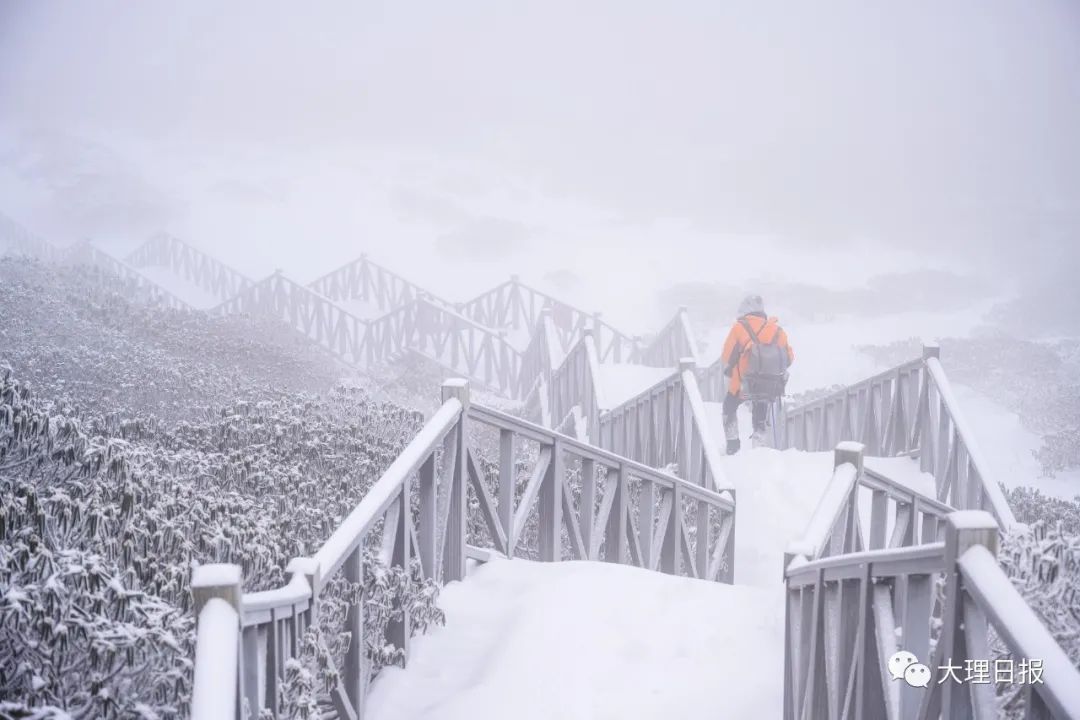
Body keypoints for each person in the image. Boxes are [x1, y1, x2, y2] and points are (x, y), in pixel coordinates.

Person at [720, 294, 794, 454]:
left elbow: (726, 356)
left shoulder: (739, 327)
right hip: (768, 386)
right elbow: (789, 358)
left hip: (743, 386)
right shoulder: (777, 330)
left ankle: (733, 446)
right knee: (761, 408)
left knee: (729, 407)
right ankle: (758, 448)